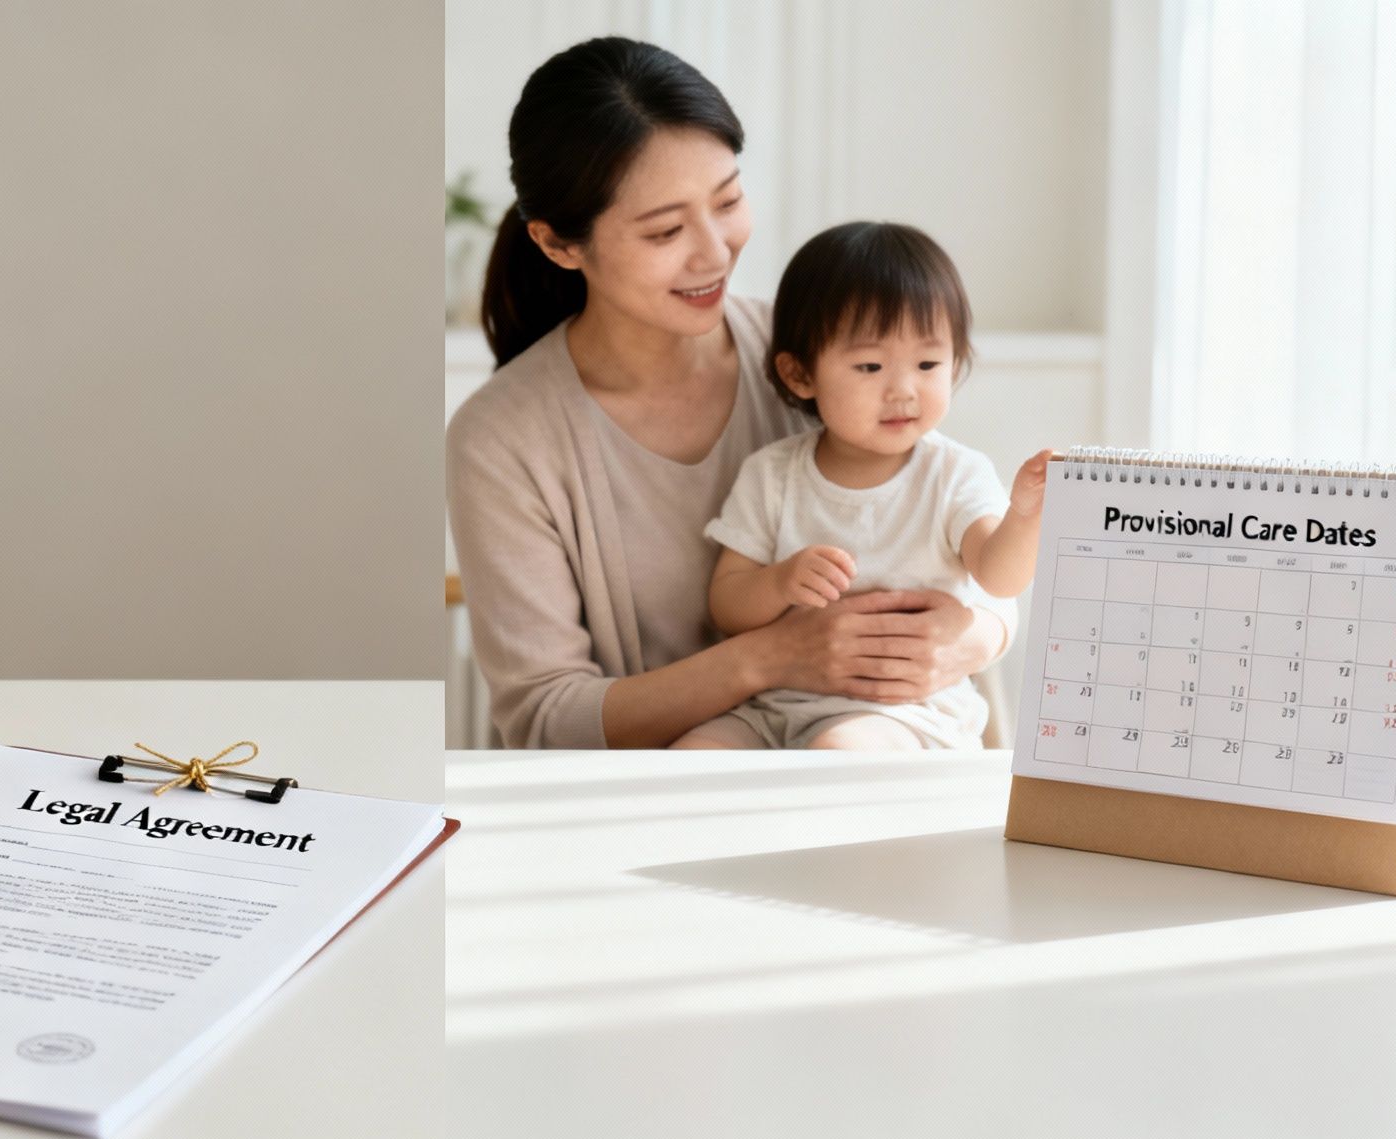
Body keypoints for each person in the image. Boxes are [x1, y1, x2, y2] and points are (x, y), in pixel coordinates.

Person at [446, 36, 1015, 749]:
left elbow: (962, 537)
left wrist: (975, 637)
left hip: (871, 768)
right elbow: (545, 720)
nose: (715, 251)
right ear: (560, 245)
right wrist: (770, 658)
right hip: (644, 811)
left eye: (729, 199)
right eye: (665, 230)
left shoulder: (826, 357)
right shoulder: (505, 439)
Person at [697, 222, 1050, 749]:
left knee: (838, 751)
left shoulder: (954, 474)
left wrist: (1022, 517)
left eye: (929, 363)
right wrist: (778, 583)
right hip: (777, 704)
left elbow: (998, 579)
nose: (903, 390)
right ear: (799, 376)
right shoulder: (772, 474)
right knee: (693, 757)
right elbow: (725, 605)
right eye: (870, 365)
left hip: (905, 712)